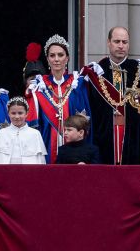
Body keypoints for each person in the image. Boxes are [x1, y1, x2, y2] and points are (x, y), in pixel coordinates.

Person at [82, 26, 140, 165]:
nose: (121, 46)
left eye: (125, 42)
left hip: (134, 139)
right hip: (104, 138)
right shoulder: (96, 72)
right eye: (117, 41)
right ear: (108, 42)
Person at [26, 35, 91, 164]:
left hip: (74, 149)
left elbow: (85, 119)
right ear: (47, 59)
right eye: (52, 55)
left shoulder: (77, 83)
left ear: (67, 58)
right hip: (47, 143)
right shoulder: (39, 86)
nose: (56, 59)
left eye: (60, 55)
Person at [0, 98, 47, 165]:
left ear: (26, 113)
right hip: (6, 173)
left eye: (20, 113)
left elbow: (41, 161)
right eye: (13, 113)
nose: (17, 116)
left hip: (28, 173)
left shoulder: (35, 134)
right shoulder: (1, 133)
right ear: (8, 114)